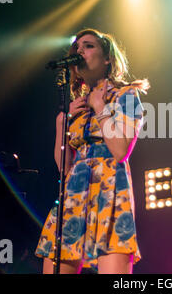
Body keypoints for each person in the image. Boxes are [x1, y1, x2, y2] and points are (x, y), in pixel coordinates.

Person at [35, 28, 149, 274]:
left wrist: (100, 108)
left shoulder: (126, 95)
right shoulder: (77, 106)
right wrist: (61, 123)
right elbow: (64, 168)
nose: (79, 51)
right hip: (74, 194)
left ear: (107, 58)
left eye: (88, 46)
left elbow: (120, 151)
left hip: (110, 192)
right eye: (76, 47)